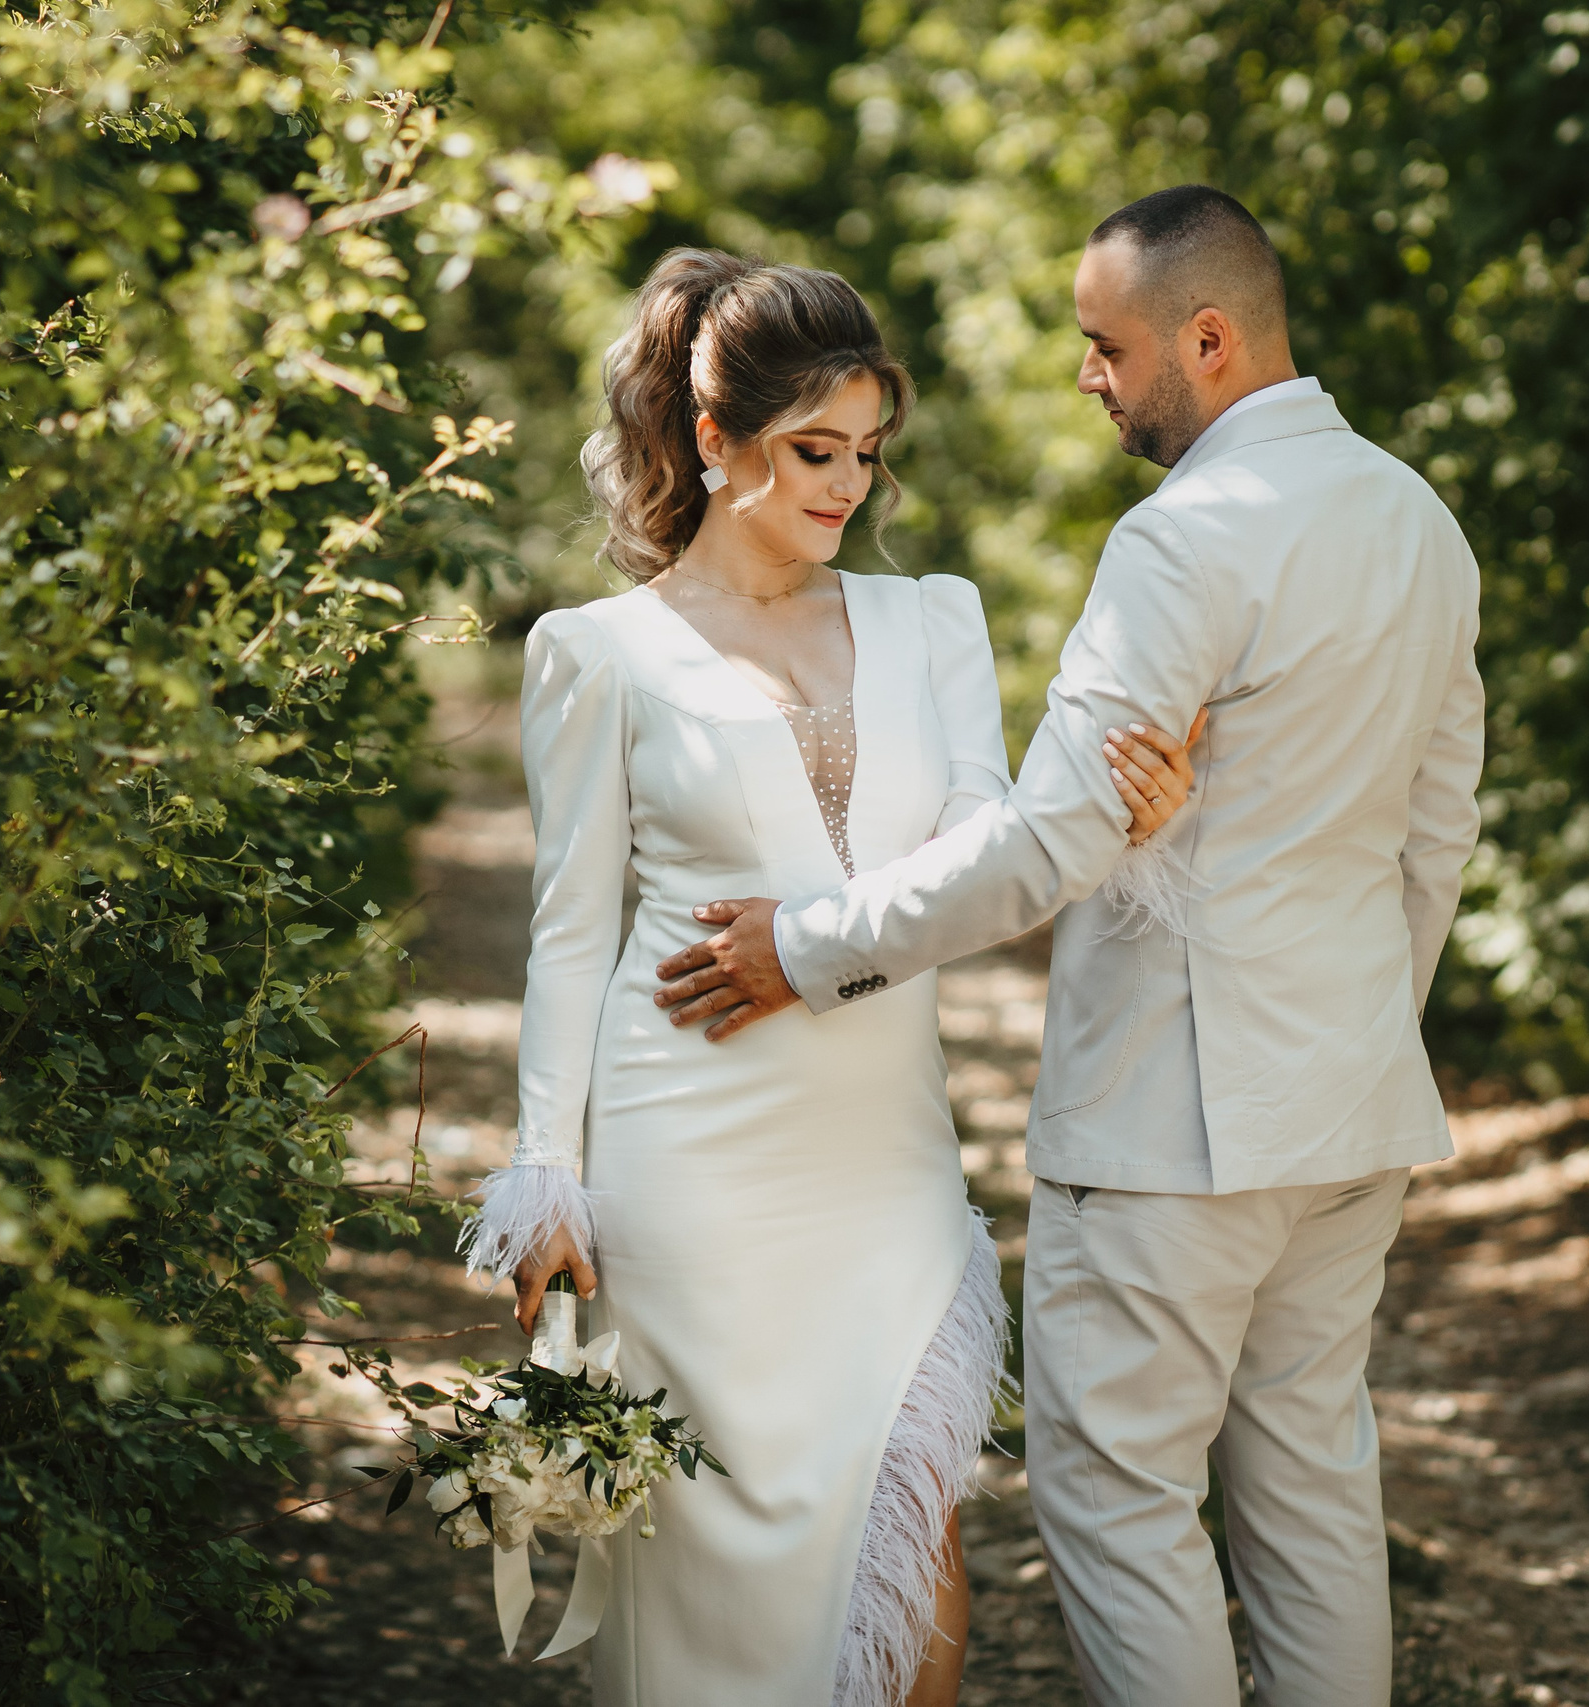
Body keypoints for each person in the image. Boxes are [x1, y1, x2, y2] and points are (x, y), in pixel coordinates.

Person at [650, 186, 1486, 1707]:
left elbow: (1045, 844)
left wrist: (809, 948)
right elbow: (1437, 833)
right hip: (1352, 1106)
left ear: (1209, 339)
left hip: (1173, 1121)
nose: (1085, 374)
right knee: (1313, 1491)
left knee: (1121, 1500)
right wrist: (1368, 1027)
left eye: (1107, 345)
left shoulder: (1185, 542)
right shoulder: (1416, 520)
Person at [462, 247, 1200, 1707]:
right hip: (686, 1166)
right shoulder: (597, 653)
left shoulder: (935, 620)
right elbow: (570, 932)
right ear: (712, 436)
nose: (849, 484)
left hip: (886, 1166)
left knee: (913, 1535)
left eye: (867, 451)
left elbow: (987, 856)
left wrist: (1118, 820)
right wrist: (545, 1173)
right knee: (702, 1573)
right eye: (816, 450)